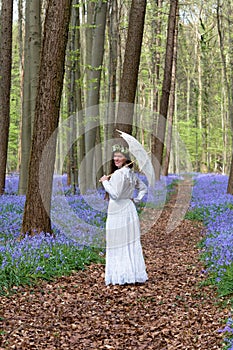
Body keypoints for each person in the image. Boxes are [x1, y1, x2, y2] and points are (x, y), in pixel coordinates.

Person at [99, 144, 148, 285]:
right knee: (128, 241)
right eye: (115, 156)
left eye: (119, 156)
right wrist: (135, 200)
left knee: (118, 241)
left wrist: (105, 182)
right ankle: (130, 274)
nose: (116, 159)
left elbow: (115, 194)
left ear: (126, 158)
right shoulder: (131, 174)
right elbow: (143, 189)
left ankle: (121, 275)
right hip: (129, 208)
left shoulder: (120, 174)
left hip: (118, 210)